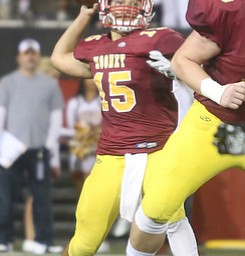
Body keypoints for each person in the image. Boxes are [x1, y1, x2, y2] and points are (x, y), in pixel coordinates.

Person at [51, 0, 199, 255]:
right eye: (120, 1)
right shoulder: (95, 46)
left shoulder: (161, 38)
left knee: (174, 218)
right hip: (112, 153)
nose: (126, 6)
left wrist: (179, 71)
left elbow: (200, 64)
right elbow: (59, 59)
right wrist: (84, 16)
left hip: (158, 150)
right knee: (85, 239)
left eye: (132, 1)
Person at [127, 0, 245, 255]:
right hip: (214, 122)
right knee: (155, 207)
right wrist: (218, 91)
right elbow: (184, 60)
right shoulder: (230, 12)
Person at [0, 38, 64, 254]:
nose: (29, 56)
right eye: (26, 53)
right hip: (12, 150)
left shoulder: (50, 84)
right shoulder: (8, 82)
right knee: (5, 197)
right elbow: (1, 115)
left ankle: (44, 240)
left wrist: (48, 147)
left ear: (38, 57)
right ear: (19, 57)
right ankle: (4, 239)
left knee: (41, 197)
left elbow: (56, 117)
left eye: (33, 53)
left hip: (39, 150)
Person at [65, 78, 102, 192]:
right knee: (80, 179)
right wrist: (83, 132)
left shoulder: (102, 102)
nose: (91, 82)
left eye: (93, 79)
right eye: (88, 79)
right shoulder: (75, 103)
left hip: (98, 146)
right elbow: (70, 126)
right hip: (80, 147)